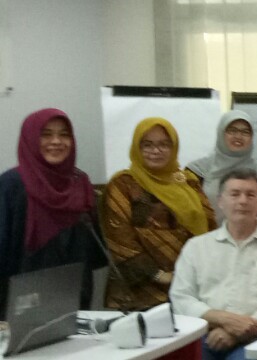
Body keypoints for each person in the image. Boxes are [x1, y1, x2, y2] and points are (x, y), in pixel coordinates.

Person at [170, 169, 257, 360]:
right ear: (220, 201)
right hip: (206, 335)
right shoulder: (196, 247)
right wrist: (222, 319)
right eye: (234, 194)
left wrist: (249, 327)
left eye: (250, 195)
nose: (243, 201)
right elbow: (181, 297)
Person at [103, 118, 218, 310]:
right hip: (138, 291)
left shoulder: (188, 182)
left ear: (174, 148)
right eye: (147, 145)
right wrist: (158, 274)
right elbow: (120, 238)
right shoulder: (123, 184)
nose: (156, 151)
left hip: (188, 285)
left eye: (164, 144)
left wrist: (193, 273)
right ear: (136, 148)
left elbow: (209, 225)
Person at [0, 109, 104, 314]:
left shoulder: (80, 182)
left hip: (74, 296)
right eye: (46, 134)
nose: (56, 141)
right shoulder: (12, 185)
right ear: (30, 139)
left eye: (64, 134)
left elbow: (92, 250)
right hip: (21, 301)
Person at [186, 110, 257, 221]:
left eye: (245, 132)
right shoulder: (197, 171)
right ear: (221, 132)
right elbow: (187, 213)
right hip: (204, 236)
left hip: (247, 236)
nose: (238, 136)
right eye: (232, 130)